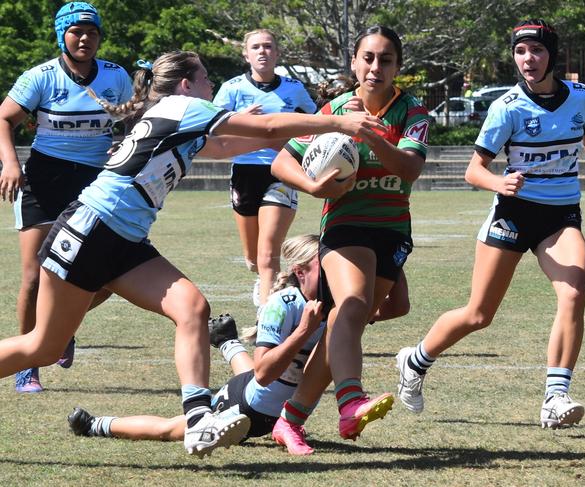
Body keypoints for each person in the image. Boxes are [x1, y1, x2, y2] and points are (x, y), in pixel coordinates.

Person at [0, 50, 384, 458]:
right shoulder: (185, 106)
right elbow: (268, 125)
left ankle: (199, 421)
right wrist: (338, 121)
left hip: (123, 238)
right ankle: (199, 418)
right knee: (42, 345)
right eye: (206, 79)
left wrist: (325, 125)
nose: (212, 87)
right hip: (94, 226)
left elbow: (259, 137)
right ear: (186, 84)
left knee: (193, 308)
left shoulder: (183, 116)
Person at [395, 19, 585, 429]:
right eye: (520, 52)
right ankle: (416, 359)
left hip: (561, 216)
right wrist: (500, 181)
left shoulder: (582, 98)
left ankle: (555, 395)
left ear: (553, 55)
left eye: (536, 50)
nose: (528, 59)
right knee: (479, 314)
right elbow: (473, 171)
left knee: (574, 290)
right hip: (513, 215)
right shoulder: (507, 107)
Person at [270, 26, 430, 448]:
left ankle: (290, 419)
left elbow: (409, 170)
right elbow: (282, 162)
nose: (376, 67)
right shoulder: (335, 110)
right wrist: (313, 187)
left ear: (398, 67)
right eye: (369, 58)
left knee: (347, 320)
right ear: (355, 63)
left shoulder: (413, 113)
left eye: (386, 60)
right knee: (353, 305)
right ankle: (350, 402)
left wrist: (366, 133)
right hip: (345, 226)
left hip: (392, 231)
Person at [67, 234, 325, 454]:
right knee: (171, 429)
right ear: (300, 272)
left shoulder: (333, 305)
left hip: (275, 406)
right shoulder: (284, 304)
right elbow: (263, 373)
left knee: (254, 376)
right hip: (246, 407)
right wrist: (303, 330)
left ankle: (226, 341)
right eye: (324, 268)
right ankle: (95, 424)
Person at [0, 2, 133, 393]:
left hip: (96, 183)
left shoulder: (116, 76)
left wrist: (124, 141)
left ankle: (60, 327)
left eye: (92, 32)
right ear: (62, 35)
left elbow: (132, 119)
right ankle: (28, 366)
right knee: (33, 277)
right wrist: (9, 164)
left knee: (109, 276)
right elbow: (3, 118)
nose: (85, 38)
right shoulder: (40, 76)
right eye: (76, 31)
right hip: (43, 179)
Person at [212, 29, 317, 309]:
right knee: (253, 259)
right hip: (245, 174)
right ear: (246, 54)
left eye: (268, 46)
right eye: (256, 47)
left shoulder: (294, 88)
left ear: (277, 53)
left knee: (269, 255)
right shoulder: (232, 88)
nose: (262, 51)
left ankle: (267, 317)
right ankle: (263, 279)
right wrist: (237, 118)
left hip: (282, 172)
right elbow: (210, 131)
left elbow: (315, 123)